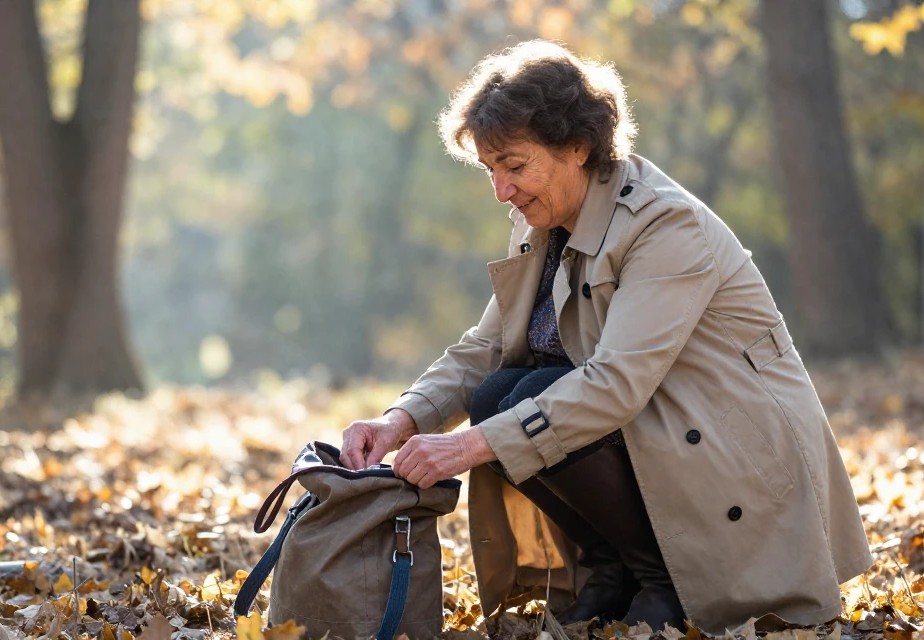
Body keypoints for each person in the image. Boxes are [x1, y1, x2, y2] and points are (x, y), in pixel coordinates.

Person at [340, 40, 872, 632]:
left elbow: (617, 382)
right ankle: (613, 570)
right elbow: (485, 347)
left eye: (514, 165)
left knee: (515, 404)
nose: (501, 191)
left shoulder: (666, 224)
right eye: (491, 169)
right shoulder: (541, 217)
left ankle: (667, 579)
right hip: (657, 431)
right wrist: (400, 421)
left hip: (730, 450)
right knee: (500, 392)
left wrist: (468, 447)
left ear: (577, 146)